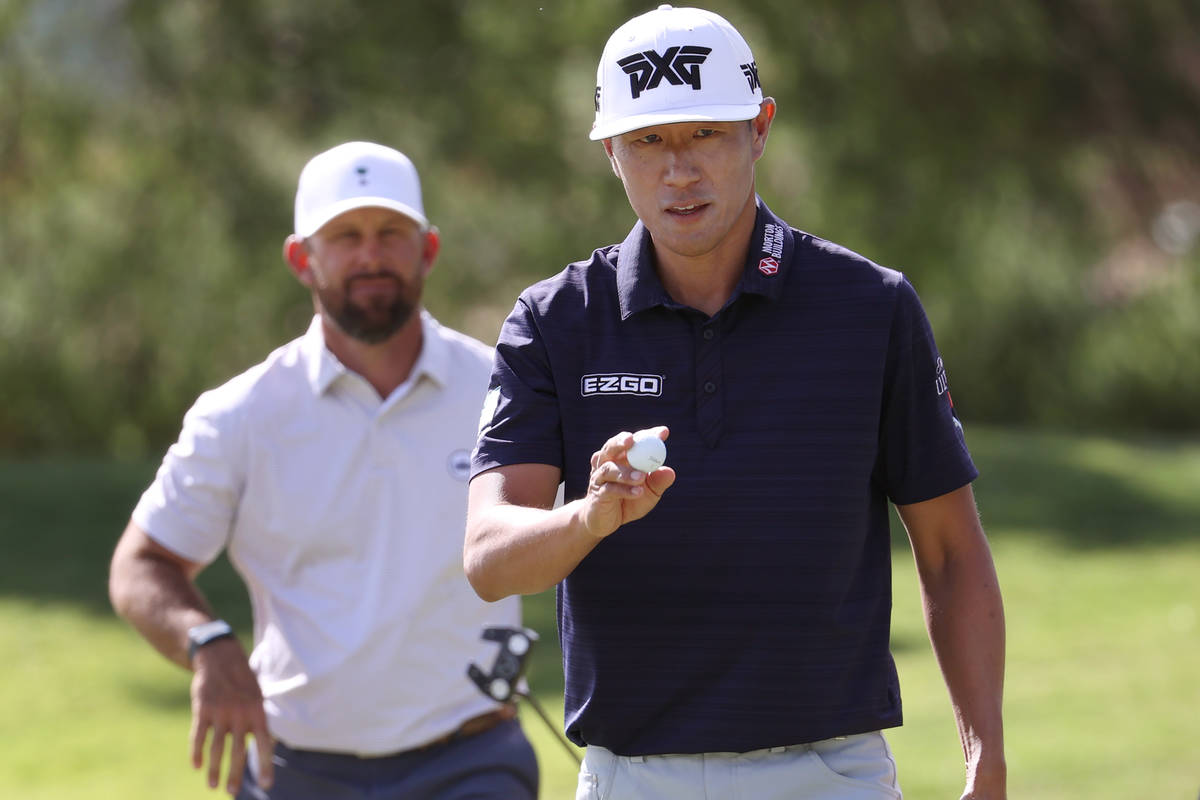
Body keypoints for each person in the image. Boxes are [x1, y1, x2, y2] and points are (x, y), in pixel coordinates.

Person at [464, 6, 1005, 799]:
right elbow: (487, 556)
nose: (678, 170)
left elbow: (952, 552)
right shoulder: (556, 320)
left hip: (833, 775)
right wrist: (589, 516)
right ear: (612, 152)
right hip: (631, 778)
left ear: (760, 129)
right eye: (648, 141)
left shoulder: (871, 308)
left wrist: (983, 754)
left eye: (705, 134)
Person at [109, 141, 538, 799]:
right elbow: (141, 564)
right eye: (345, 236)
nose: (370, 255)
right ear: (301, 259)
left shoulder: (503, 388)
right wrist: (209, 644)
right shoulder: (240, 414)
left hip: (471, 758)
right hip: (294, 768)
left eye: (391, 233)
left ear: (427, 250)